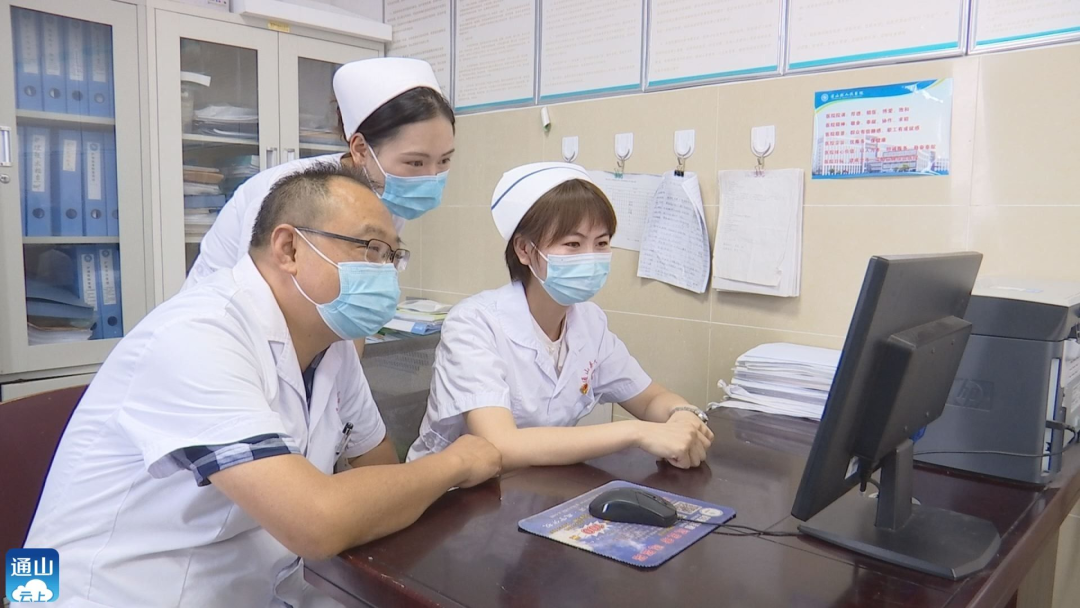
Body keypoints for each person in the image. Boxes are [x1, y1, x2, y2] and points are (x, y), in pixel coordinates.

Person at [25, 164, 501, 608]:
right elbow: (316, 521)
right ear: (289, 248)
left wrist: (369, 497)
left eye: (392, 256)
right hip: (111, 593)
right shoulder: (196, 334)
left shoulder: (330, 343)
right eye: (370, 248)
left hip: (259, 587)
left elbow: (380, 474)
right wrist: (455, 461)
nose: (385, 272)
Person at [407, 162, 714, 470]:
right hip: (454, 491)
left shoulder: (589, 322)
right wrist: (636, 432)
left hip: (537, 484)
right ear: (525, 250)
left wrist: (683, 414)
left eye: (601, 243)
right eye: (573, 244)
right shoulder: (473, 323)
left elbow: (649, 398)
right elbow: (500, 445)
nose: (590, 257)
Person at [185, 56, 455, 288]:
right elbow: (261, 293)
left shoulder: (387, 195)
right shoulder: (292, 192)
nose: (431, 177)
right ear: (361, 149)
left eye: (444, 160)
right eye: (415, 163)